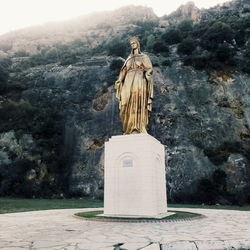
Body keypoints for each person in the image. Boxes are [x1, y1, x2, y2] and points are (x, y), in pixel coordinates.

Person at [115, 36, 153, 134]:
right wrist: (119, 80)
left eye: (134, 43)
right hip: (128, 80)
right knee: (125, 102)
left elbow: (149, 68)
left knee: (138, 100)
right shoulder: (128, 58)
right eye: (131, 44)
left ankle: (139, 127)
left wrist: (148, 73)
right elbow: (123, 71)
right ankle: (128, 128)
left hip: (139, 79)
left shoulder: (144, 57)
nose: (133, 45)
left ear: (138, 44)